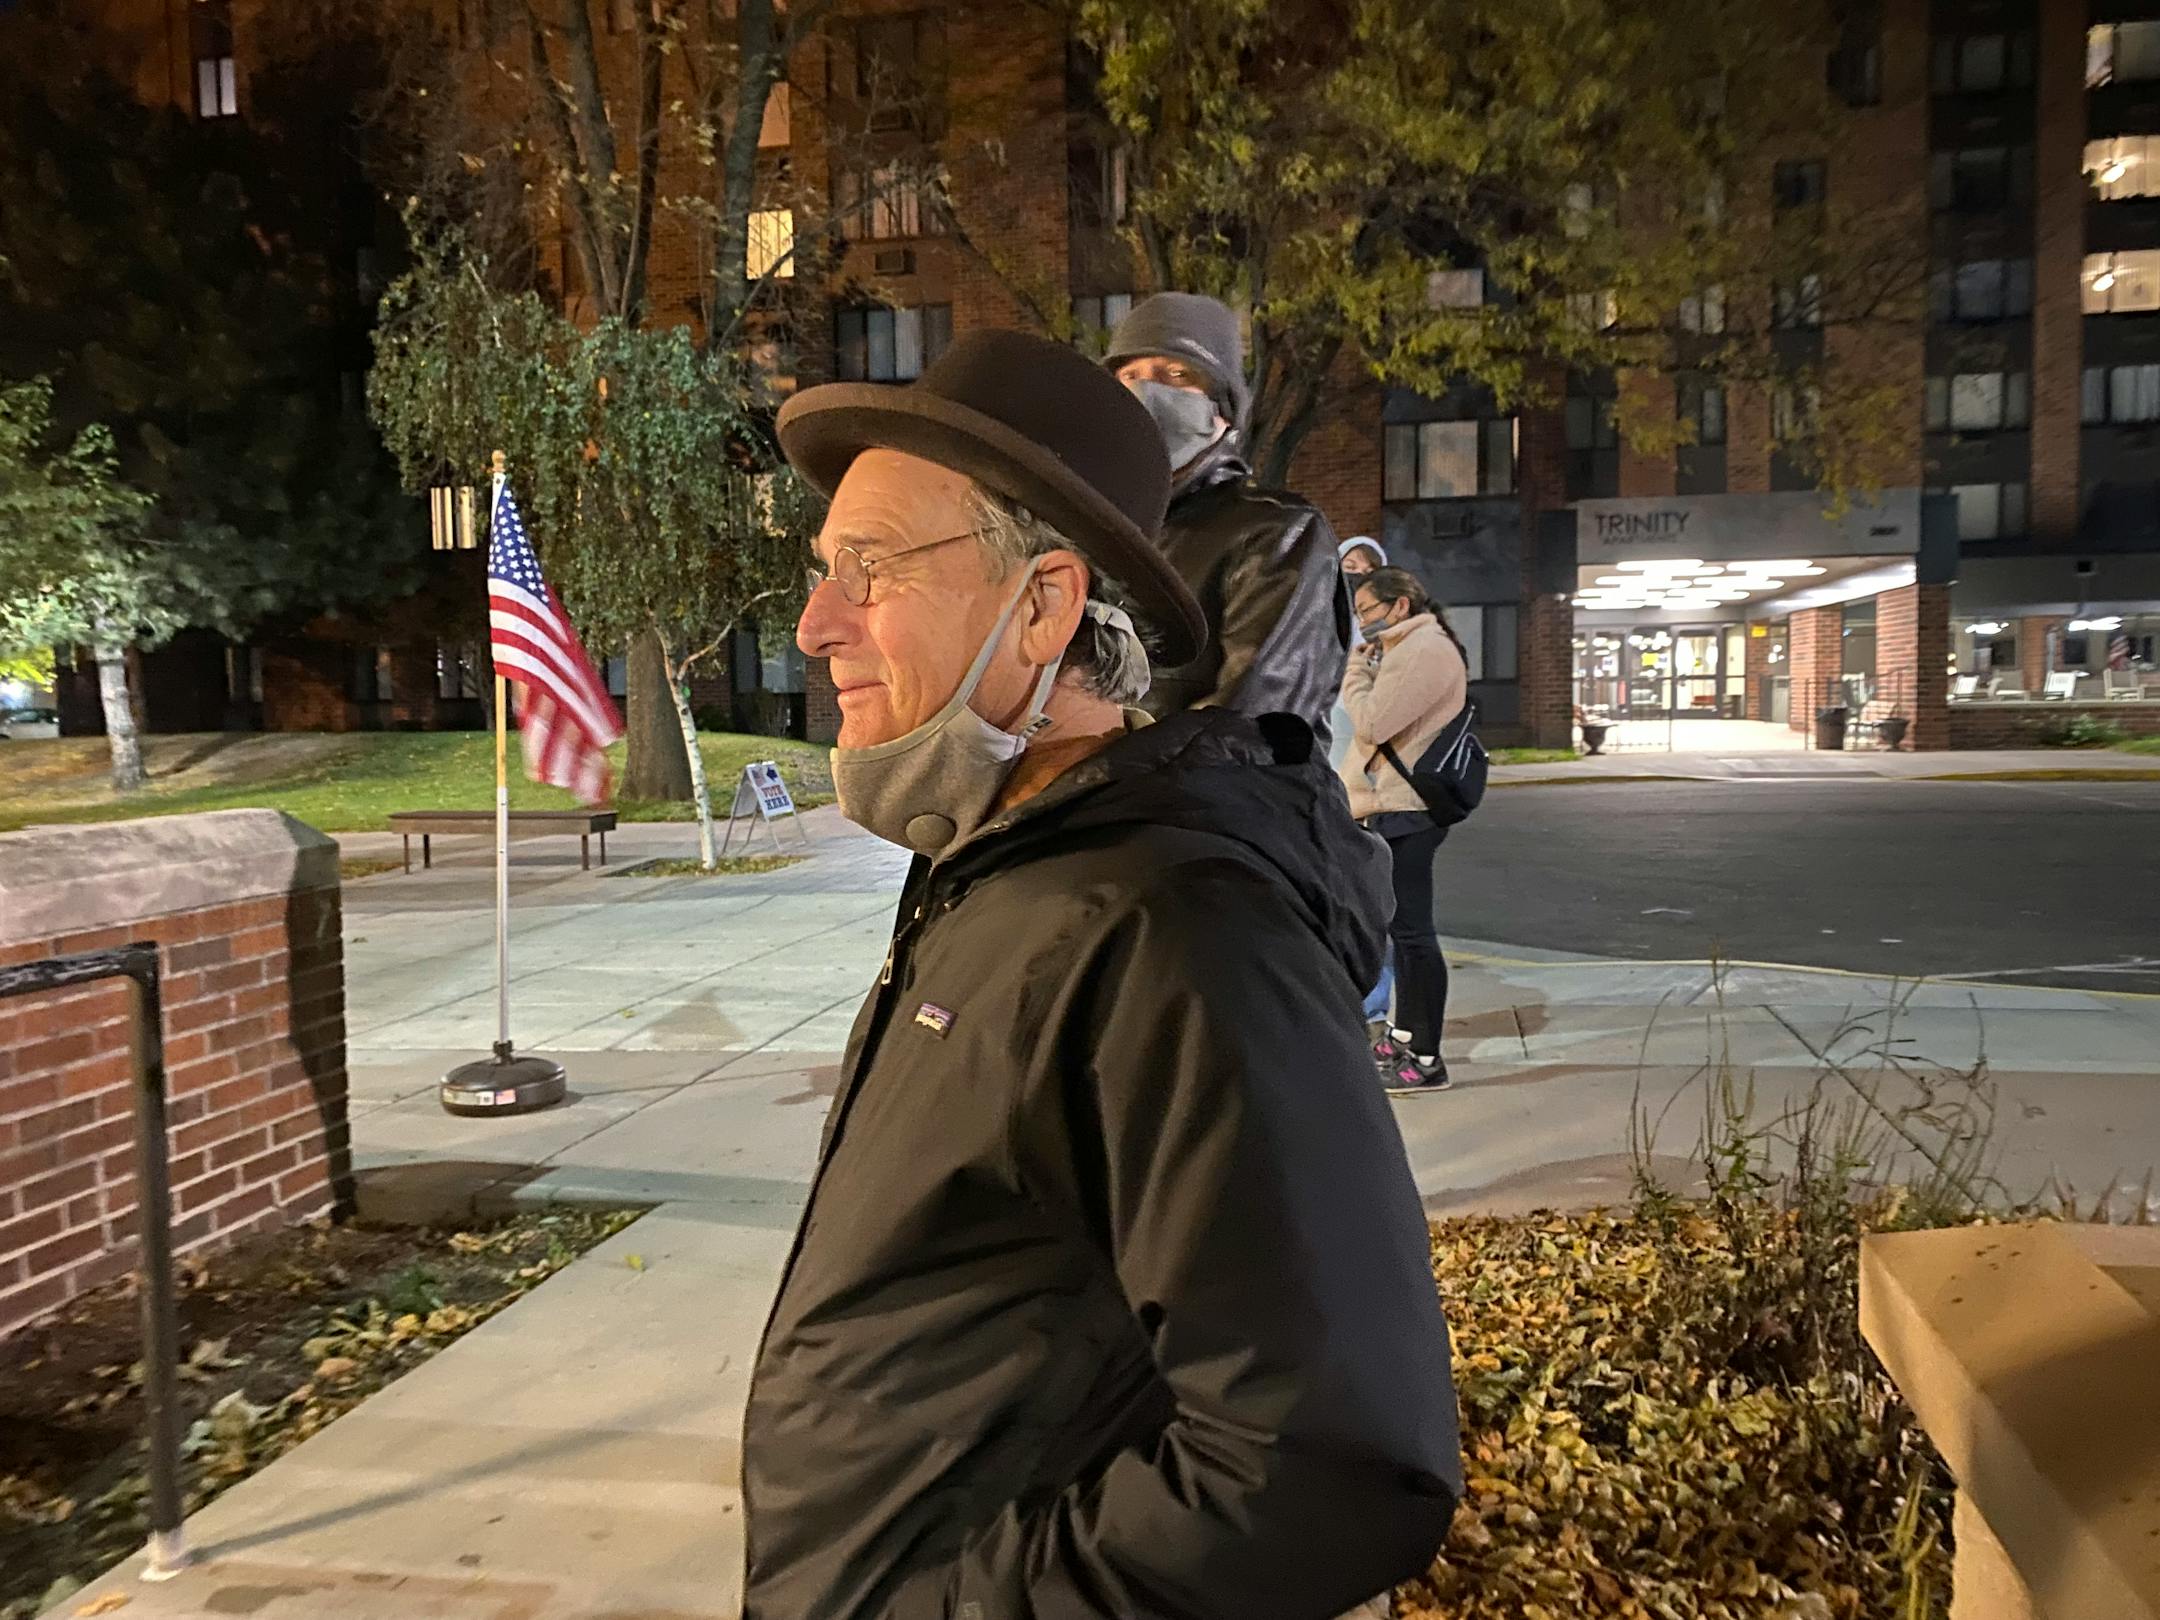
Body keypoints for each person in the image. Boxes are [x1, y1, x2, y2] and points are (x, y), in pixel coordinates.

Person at [745, 328, 1462, 1620]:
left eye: (872, 570)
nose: (815, 626)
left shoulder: (1180, 934)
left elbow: (1337, 1460)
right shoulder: (993, 874)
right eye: (820, 571)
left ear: (1043, 607)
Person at [1104, 292, 1351, 746]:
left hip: (1213, 812)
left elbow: (1252, 723)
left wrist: (1097, 776)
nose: (1145, 392)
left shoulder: (1277, 534)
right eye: (1129, 375)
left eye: (1177, 375)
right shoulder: (1094, 531)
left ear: (1221, 411)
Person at [1338, 565, 1469, 1095]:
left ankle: (1427, 1057)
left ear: (1399, 606)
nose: (1362, 621)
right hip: (1392, 807)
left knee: (1413, 937)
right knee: (1401, 933)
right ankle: (1405, 1035)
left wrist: (1355, 670)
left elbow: (1371, 723)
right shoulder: (1408, 648)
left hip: (1405, 811)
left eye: (1368, 610)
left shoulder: (1423, 651)